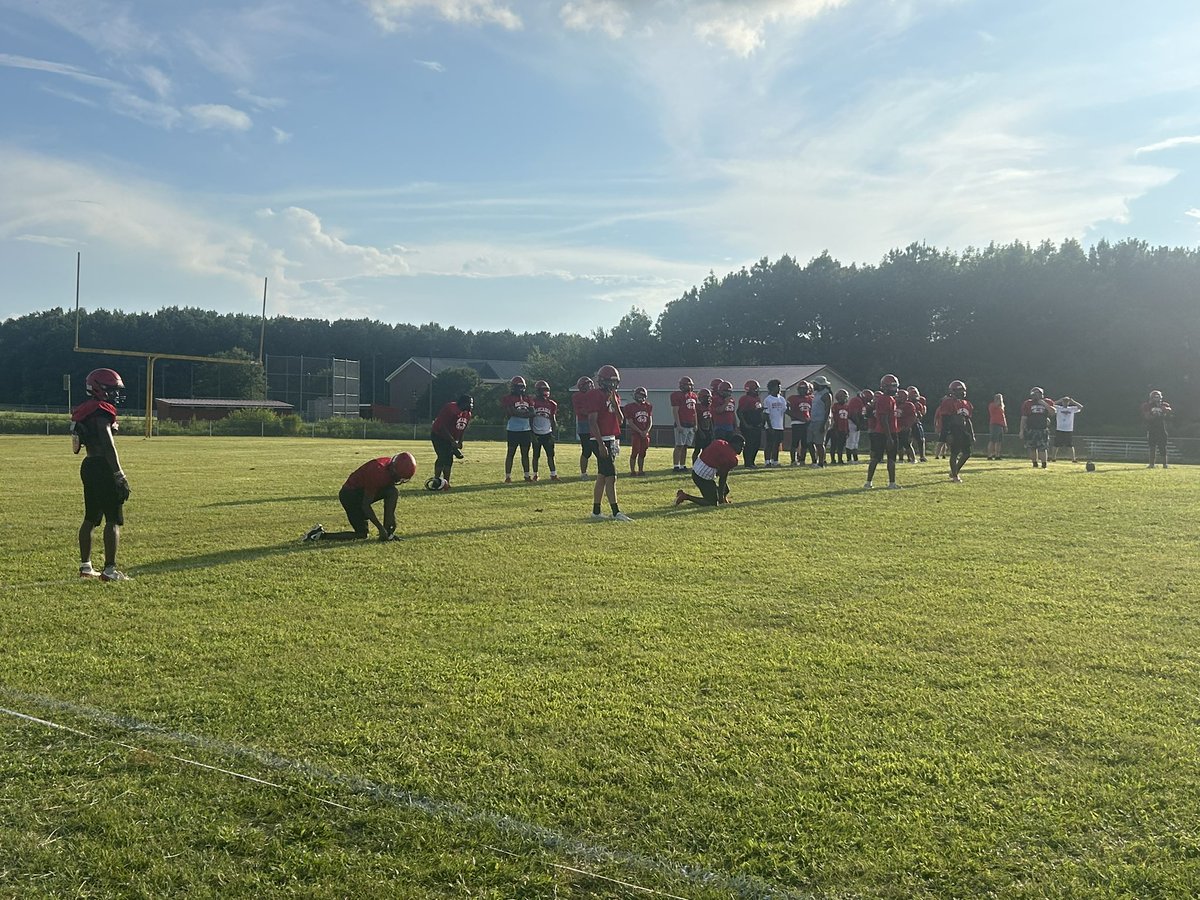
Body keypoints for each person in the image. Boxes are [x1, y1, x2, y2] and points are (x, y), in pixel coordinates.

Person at [71, 368, 132, 581]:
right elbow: (107, 444)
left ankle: (85, 567)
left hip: (88, 464)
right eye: (111, 389)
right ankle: (109, 570)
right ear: (99, 388)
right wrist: (119, 473)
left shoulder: (85, 410)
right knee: (113, 519)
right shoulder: (101, 411)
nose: (115, 394)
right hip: (103, 466)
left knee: (90, 518)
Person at [304, 452, 416, 542]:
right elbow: (365, 505)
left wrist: (391, 519)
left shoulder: (390, 466)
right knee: (361, 534)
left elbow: (389, 490)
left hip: (359, 490)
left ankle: (389, 532)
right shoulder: (377, 473)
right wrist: (380, 528)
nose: (399, 480)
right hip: (350, 496)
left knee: (392, 492)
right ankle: (319, 535)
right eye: (398, 477)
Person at [580, 365, 632, 521]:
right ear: (603, 381)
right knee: (611, 476)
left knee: (602, 476)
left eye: (615, 381)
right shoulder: (595, 395)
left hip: (611, 438)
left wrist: (615, 405)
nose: (613, 384)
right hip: (600, 440)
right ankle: (616, 512)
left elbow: (621, 420)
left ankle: (596, 512)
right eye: (611, 381)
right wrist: (600, 444)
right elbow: (592, 421)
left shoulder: (614, 395)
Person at [674, 434, 745, 507]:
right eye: (741, 446)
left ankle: (719, 497)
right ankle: (685, 496)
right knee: (712, 502)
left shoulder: (719, 442)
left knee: (725, 490)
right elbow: (722, 478)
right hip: (702, 476)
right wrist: (720, 498)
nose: (742, 449)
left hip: (696, 468)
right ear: (734, 444)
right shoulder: (732, 458)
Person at [864, 374, 901, 490]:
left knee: (882, 458)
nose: (895, 389)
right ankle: (889, 483)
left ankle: (872, 482)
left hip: (884, 432)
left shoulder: (889, 399)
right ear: (885, 387)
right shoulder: (885, 399)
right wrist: (889, 436)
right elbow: (883, 419)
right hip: (885, 432)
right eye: (892, 386)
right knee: (885, 458)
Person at [429, 393, 472, 489]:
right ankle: (436, 480)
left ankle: (446, 483)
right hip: (439, 435)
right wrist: (452, 441)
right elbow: (442, 426)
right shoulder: (450, 408)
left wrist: (460, 441)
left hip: (451, 438)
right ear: (463, 403)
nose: (471, 405)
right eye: (469, 403)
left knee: (449, 459)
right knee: (442, 456)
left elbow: (463, 428)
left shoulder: (467, 414)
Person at [935, 380, 975, 482]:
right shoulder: (948, 402)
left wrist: (972, 434)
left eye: (963, 390)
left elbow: (968, 420)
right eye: (959, 390)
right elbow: (945, 420)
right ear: (953, 391)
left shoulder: (967, 403)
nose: (962, 392)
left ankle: (955, 470)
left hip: (963, 430)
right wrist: (947, 434)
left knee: (967, 453)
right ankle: (955, 476)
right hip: (954, 430)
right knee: (955, 453)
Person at [502, 376, 535, 483]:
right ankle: (508, 476)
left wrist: (520, 414)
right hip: (513, 429)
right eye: (518, 386)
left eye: (522, 386)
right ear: (513, 387)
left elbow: (533, 413)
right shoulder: (508, 398)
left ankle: (526, 475)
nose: (520, 389)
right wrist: (525, 414)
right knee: (510, 453)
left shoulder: (528, 398)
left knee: (525, 454)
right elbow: (511, 412)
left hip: (525, 429)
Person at [1020, 387, 1055, 469]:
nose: (1037, 395)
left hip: (1042, 429)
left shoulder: (1047, 402)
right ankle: (1034, 464)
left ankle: (1044, 464)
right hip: (1031, 428)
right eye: (1035, 394)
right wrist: (1021, 430)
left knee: (1043, 448)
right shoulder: (1027, 403)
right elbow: (1024, 417)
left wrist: (1044, 404)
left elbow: (1053, 412)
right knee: (1032, 447)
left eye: (1038, 393)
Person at [530, 380, 559, 481]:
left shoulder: (552, 404)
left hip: (547, 432)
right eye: (543, 390)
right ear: (538, 391)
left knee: (550, 455)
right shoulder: (533, 402)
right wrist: (532, 433)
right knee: (535, 455)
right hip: (536, 432)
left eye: (546, 390)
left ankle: (553, 474)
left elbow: (553, 420)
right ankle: (535, 474)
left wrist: (553, 434)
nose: (545, 392)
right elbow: (530, 419)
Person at [622, 386, 653, 476]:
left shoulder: (648, 406)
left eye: (642, 395)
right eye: (639, 395)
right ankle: (632, 471)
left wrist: (646, 431)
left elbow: (650, 421)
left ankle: (641, 470)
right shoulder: (629, 407)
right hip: (636, 433)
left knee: (643, 453)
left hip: (645, 433)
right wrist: (640, 431)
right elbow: (630, 422)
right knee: (635, 452)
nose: (640, 397)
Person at [670, 376, 698, 473]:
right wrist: (678, 424)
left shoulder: (694, 396)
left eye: (690, 384)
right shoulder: (677, 395)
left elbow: (695, 411)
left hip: (691, 424)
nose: (689, 386)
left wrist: (695, 424)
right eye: (687, 384)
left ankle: (682, 465)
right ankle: (676, 465)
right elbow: (675, 411)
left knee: (685, 446)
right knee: (679, 446)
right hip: (682, 424)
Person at [1142, 390, 1174, 468]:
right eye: (1155, 396)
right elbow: (1147, 417)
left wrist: (1166, 410)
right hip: (1152, 428)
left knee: (1163, 446)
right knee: (1152, 447)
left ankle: (1165, 464)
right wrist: (1155, 415)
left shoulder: (1164, 405)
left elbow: (1170, 411)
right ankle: (1151, 464)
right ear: (1151, 397)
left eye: (1158, 396)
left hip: (1161, 428)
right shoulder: (1147, 405)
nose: (1157, 398)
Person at [737, 380, 764, 467]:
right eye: (755, 389)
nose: (757, 390)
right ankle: (748, 463)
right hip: (749, 425)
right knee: (749, 444)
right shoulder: (745, 399)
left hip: (756, 425)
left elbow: (758, 412)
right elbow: (740, 412)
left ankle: (752, 462)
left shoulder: (757, 398)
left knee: (756, 444)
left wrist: (761, 422)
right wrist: (745, 424)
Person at [572, 375, 596, 480]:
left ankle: (602, 471)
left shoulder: (594, 395)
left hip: (595, 425)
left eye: (590, 384)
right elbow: (582, 411)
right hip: (585, 425)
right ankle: (583, 473)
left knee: (599, 450)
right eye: (587, 384)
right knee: (586, 450)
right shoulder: (577, 396)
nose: (590, 386)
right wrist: (595, 412)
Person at [808, 376, 833, 468]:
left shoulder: (826, 395)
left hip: (821, 420)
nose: (814, 385)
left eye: (815, 384)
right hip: (813, 420)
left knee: (819, 443)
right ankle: (814, 461)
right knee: (809, 441)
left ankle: (821, 463)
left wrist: (824, 423)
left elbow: (827, 410)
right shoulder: (816, 394)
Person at [762, 379, 788, 467]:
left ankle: (775, 461)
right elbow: (766, 414)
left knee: (777, 444)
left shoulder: (782, 399)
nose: (779, 388)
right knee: (769, 444)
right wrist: (770, 426)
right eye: (778, 386)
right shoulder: (768, 400)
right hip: (771, 426)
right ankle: (767, 461)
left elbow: (785, 410)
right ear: (772, 388)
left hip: (779, 426)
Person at [1050, 396, 1084, 463]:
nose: (1065, 403)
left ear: (1068, 402)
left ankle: (1073, 459)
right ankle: (1053, 458)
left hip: (1068, 429)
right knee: (1056, 444)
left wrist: (1073, 401)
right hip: (1059, 428)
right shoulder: (1059, 408)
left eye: (1067, 401)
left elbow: (1081, 407)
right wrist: (1059, 400)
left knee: (1070, 445)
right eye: (1064, 401)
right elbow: (1050, 405)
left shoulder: (1072, 409)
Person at [786, 381, 812, 465]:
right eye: (801, 389)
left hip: (807, 423)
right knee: (795, 442)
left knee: (805, 443)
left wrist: (809, 419)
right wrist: (798, 417)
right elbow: (787, 411)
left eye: (805, 389)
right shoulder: (792, 398)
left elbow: (811, 411)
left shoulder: (810, 398)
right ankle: (793, 460)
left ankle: (802, 460)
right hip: (796, 423)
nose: (803, 390)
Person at [844, 388, 871, 463]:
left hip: (855, 423)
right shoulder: (856, 400)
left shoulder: (860, 401)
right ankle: (849, 459)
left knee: (855, 442)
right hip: (852, 422)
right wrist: (858, 424)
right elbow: (854, 414)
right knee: (850, 442)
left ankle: (855, 459)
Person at [895, 388, 918, 463]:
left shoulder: (909, 405)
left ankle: (913, 459)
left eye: (899, 397)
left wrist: (908, 426)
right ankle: (901, 459)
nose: (897, 398)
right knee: (899, 445)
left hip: (905, 427)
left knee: (907, 444)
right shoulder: (895, 404)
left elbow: (913, 417)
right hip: (897, 427)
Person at [692, 387, 714, 462]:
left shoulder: (711, 407)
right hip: (700, 430)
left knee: (706, 450)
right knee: (697, 449)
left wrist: (712, 430)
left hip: (708, 431)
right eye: (706, 397)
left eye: (709, 397)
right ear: (701, 398)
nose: (708, 399)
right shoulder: (698, 407)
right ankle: (694, 465)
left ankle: (704, 463)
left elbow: (711, 420)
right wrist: (700, 431)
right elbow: (696, 420)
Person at [907, 386, 928, 462]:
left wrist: (919, 414)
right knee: (908, 441)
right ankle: (910, 457)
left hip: (916, 423)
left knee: (920, 440)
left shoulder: (919, 404)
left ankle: (922, 456)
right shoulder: (907, 403)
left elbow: (921, 415)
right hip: (909, 424)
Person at [829, 389, 851, 464]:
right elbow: (834, 418)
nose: (844, 399)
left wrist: (847, 430)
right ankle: (833, 459)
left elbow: (846, 419)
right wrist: (835, 429)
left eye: (845, 397)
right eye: (842, 397)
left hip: (843, 429)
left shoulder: (847, 407)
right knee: (834, 445)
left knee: (841, 446)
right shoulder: (835, 406)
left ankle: (840, 459)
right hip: (835, 428)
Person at [986, 394, 1007, 460]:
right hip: (994, 424)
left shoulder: (1002, 407)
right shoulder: (992, 405)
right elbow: (992, 411)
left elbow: (1003, 416)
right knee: (992, 440)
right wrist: (997, 403)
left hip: (1001, 425)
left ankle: (997, 455)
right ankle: (989, 455)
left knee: (999, 441)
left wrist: (1005, 425)